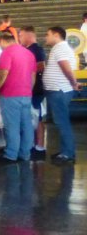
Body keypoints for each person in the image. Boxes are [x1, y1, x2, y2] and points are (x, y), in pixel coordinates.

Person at [0, 31, 37, 162]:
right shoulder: (29, 53)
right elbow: (33, 75)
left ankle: (11, 154)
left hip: (10, 94)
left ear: (2, 41)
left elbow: (3, 73)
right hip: (26, 94)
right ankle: (25, 153)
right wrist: (28, 90)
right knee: (26, 125)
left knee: (12, 125)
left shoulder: (7, 53)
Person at [43, 26, 79, 164]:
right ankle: (66, 150)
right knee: (61, 121)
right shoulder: (59, 48)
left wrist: (73, 83)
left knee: (62, 122)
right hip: (58, 90)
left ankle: (67, 154)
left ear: (56, 35)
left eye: (48, 34)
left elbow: (66, 67)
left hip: (59, 90)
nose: (46, 37)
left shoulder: (61, 48)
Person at [20, 25, 48, 159]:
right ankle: (33, 145)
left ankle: (39, 147)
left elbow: (41, 65)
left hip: (35, 89)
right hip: (31, 89)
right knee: (32, 117)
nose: (19, 38)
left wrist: (24, 70)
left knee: (37, 118)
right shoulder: (29, 50)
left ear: (29, 35)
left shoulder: (36, 49)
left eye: (21, 35)